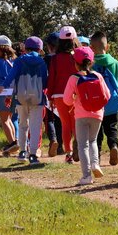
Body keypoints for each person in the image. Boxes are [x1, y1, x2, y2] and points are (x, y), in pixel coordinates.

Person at [62, 46, 110, 186]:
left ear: (75, 63)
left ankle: (86, 176)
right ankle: (95, 164)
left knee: (83, 145)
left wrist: (75, 98)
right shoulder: (98, 76)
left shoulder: (74, 78)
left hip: (81, 115)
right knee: (93, 141)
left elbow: (66, 100)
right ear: (91, 62)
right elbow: (106, 96)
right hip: (98, 114)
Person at [0, 36, 48, 165]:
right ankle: (33, 155)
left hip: (21, 97)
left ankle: (22, 152)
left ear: (26, 48)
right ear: (40, 49)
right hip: (37, 98)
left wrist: (4, 87)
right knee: (35, 127)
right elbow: (45, 82)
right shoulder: (42, 62)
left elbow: (11, 75)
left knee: (23, 124)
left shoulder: (19, 61)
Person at [90, 31, 118, 166]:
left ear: (91, 48)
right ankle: (113, 147)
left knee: (96, 132)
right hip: (112, 102)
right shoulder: (115, 63)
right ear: (107, 46)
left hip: (96, 103)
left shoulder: (90, 63)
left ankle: (96, 158)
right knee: (111, 127)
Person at [47, 25, 81, 164]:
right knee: (75, 123)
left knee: (65, 124)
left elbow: (52, 78)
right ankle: (79, 147)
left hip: (59, 94)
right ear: (74, 40)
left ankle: (69, 153)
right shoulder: (78, 56)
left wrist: (49, 96)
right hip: (76, 94)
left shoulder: (55, 58)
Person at [0, 35, 18, 156]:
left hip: (2, 92)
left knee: (4, 120)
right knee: (9, 118)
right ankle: (14, 141)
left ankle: (12, 143)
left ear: (0, 49)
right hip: (13, 92)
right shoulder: (14, 61)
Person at [43, 32, 63, 157]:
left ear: (49, 46)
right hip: (62, 92)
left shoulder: (46, 59)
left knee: (49, 119)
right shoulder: (64, 58)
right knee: (61, 119)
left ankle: (53, 140)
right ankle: (61, 145)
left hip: (49, 91)